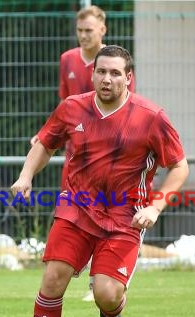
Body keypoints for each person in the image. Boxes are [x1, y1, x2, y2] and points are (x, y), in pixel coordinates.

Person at [11, 45, 189, 317]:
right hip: (76, 209)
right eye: (101, 72)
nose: (107, 79)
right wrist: (25, 176)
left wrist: (155, 206)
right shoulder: (72, 108)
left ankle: (111, 314)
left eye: (115, 73)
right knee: (52, 279)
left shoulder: (151, 117)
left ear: (129, 78)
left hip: (125, 216)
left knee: (105, 294)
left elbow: (179, 166)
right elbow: (45, 144)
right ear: (92, 74)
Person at [32, 5, 136, 302]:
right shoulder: (67, 59)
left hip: (110, 159)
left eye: (88, 30)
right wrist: (45, 135)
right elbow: (64, 105)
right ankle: (67, 268)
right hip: (75, 152)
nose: (83, 36)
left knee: (108, 210)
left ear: (102, 30)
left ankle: (101, 278)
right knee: (75, 212)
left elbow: (126, 107)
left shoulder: (116, 62)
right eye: (79, 30)